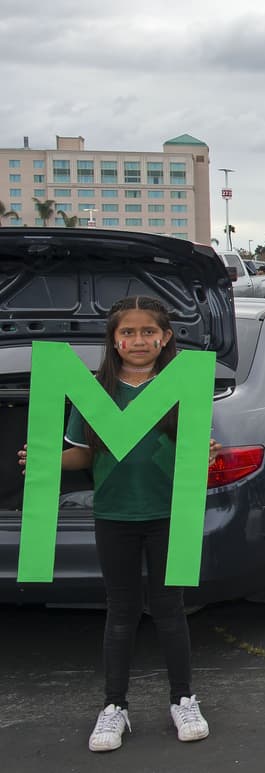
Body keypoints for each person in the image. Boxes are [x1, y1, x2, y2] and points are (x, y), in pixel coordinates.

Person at [17, 296, 219, 753]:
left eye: (148, 331)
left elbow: (195, 453)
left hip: (170, 515)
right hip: (114, 515)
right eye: (128, 332)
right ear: (113, 340)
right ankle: (115, 706)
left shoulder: (182, 386)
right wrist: (47, 460)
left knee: (170, 611)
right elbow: (84, 455)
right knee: (121, 613)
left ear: (165, 338)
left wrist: (206, 456)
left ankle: (183, 698)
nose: (138, 340)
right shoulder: (97, 392)